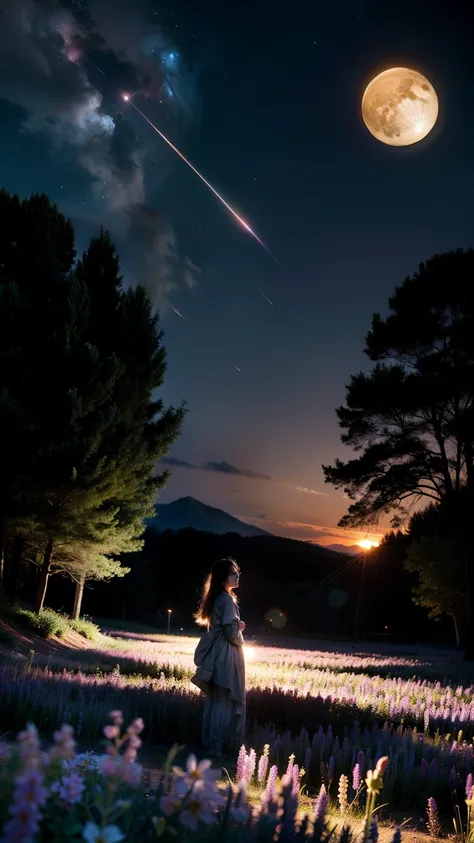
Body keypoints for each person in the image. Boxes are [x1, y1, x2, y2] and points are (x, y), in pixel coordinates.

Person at [193, 558, 246, 761]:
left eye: (237, 571)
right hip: (227, 654)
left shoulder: (218, 598)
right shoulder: (226, 600)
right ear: (224, 577)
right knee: (224, 701)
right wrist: (239, 629)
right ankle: (217, 747)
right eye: (233, 572)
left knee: (215, 701)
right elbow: (231, 632)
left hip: (218, 654)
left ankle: (209, 743)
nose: (237, 575)